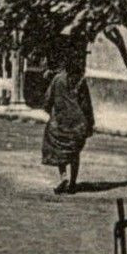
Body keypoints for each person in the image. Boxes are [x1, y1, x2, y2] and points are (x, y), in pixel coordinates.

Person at [42, 53, 96, 194]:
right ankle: (72, 183)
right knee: (74, 153)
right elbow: (86, 105)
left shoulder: (57, 79)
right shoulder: (81, 82)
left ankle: (63, 177)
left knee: (60, 150)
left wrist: (53, 114)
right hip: (77, 124)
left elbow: (47, 100)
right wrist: (90, 123)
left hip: (60, 122)